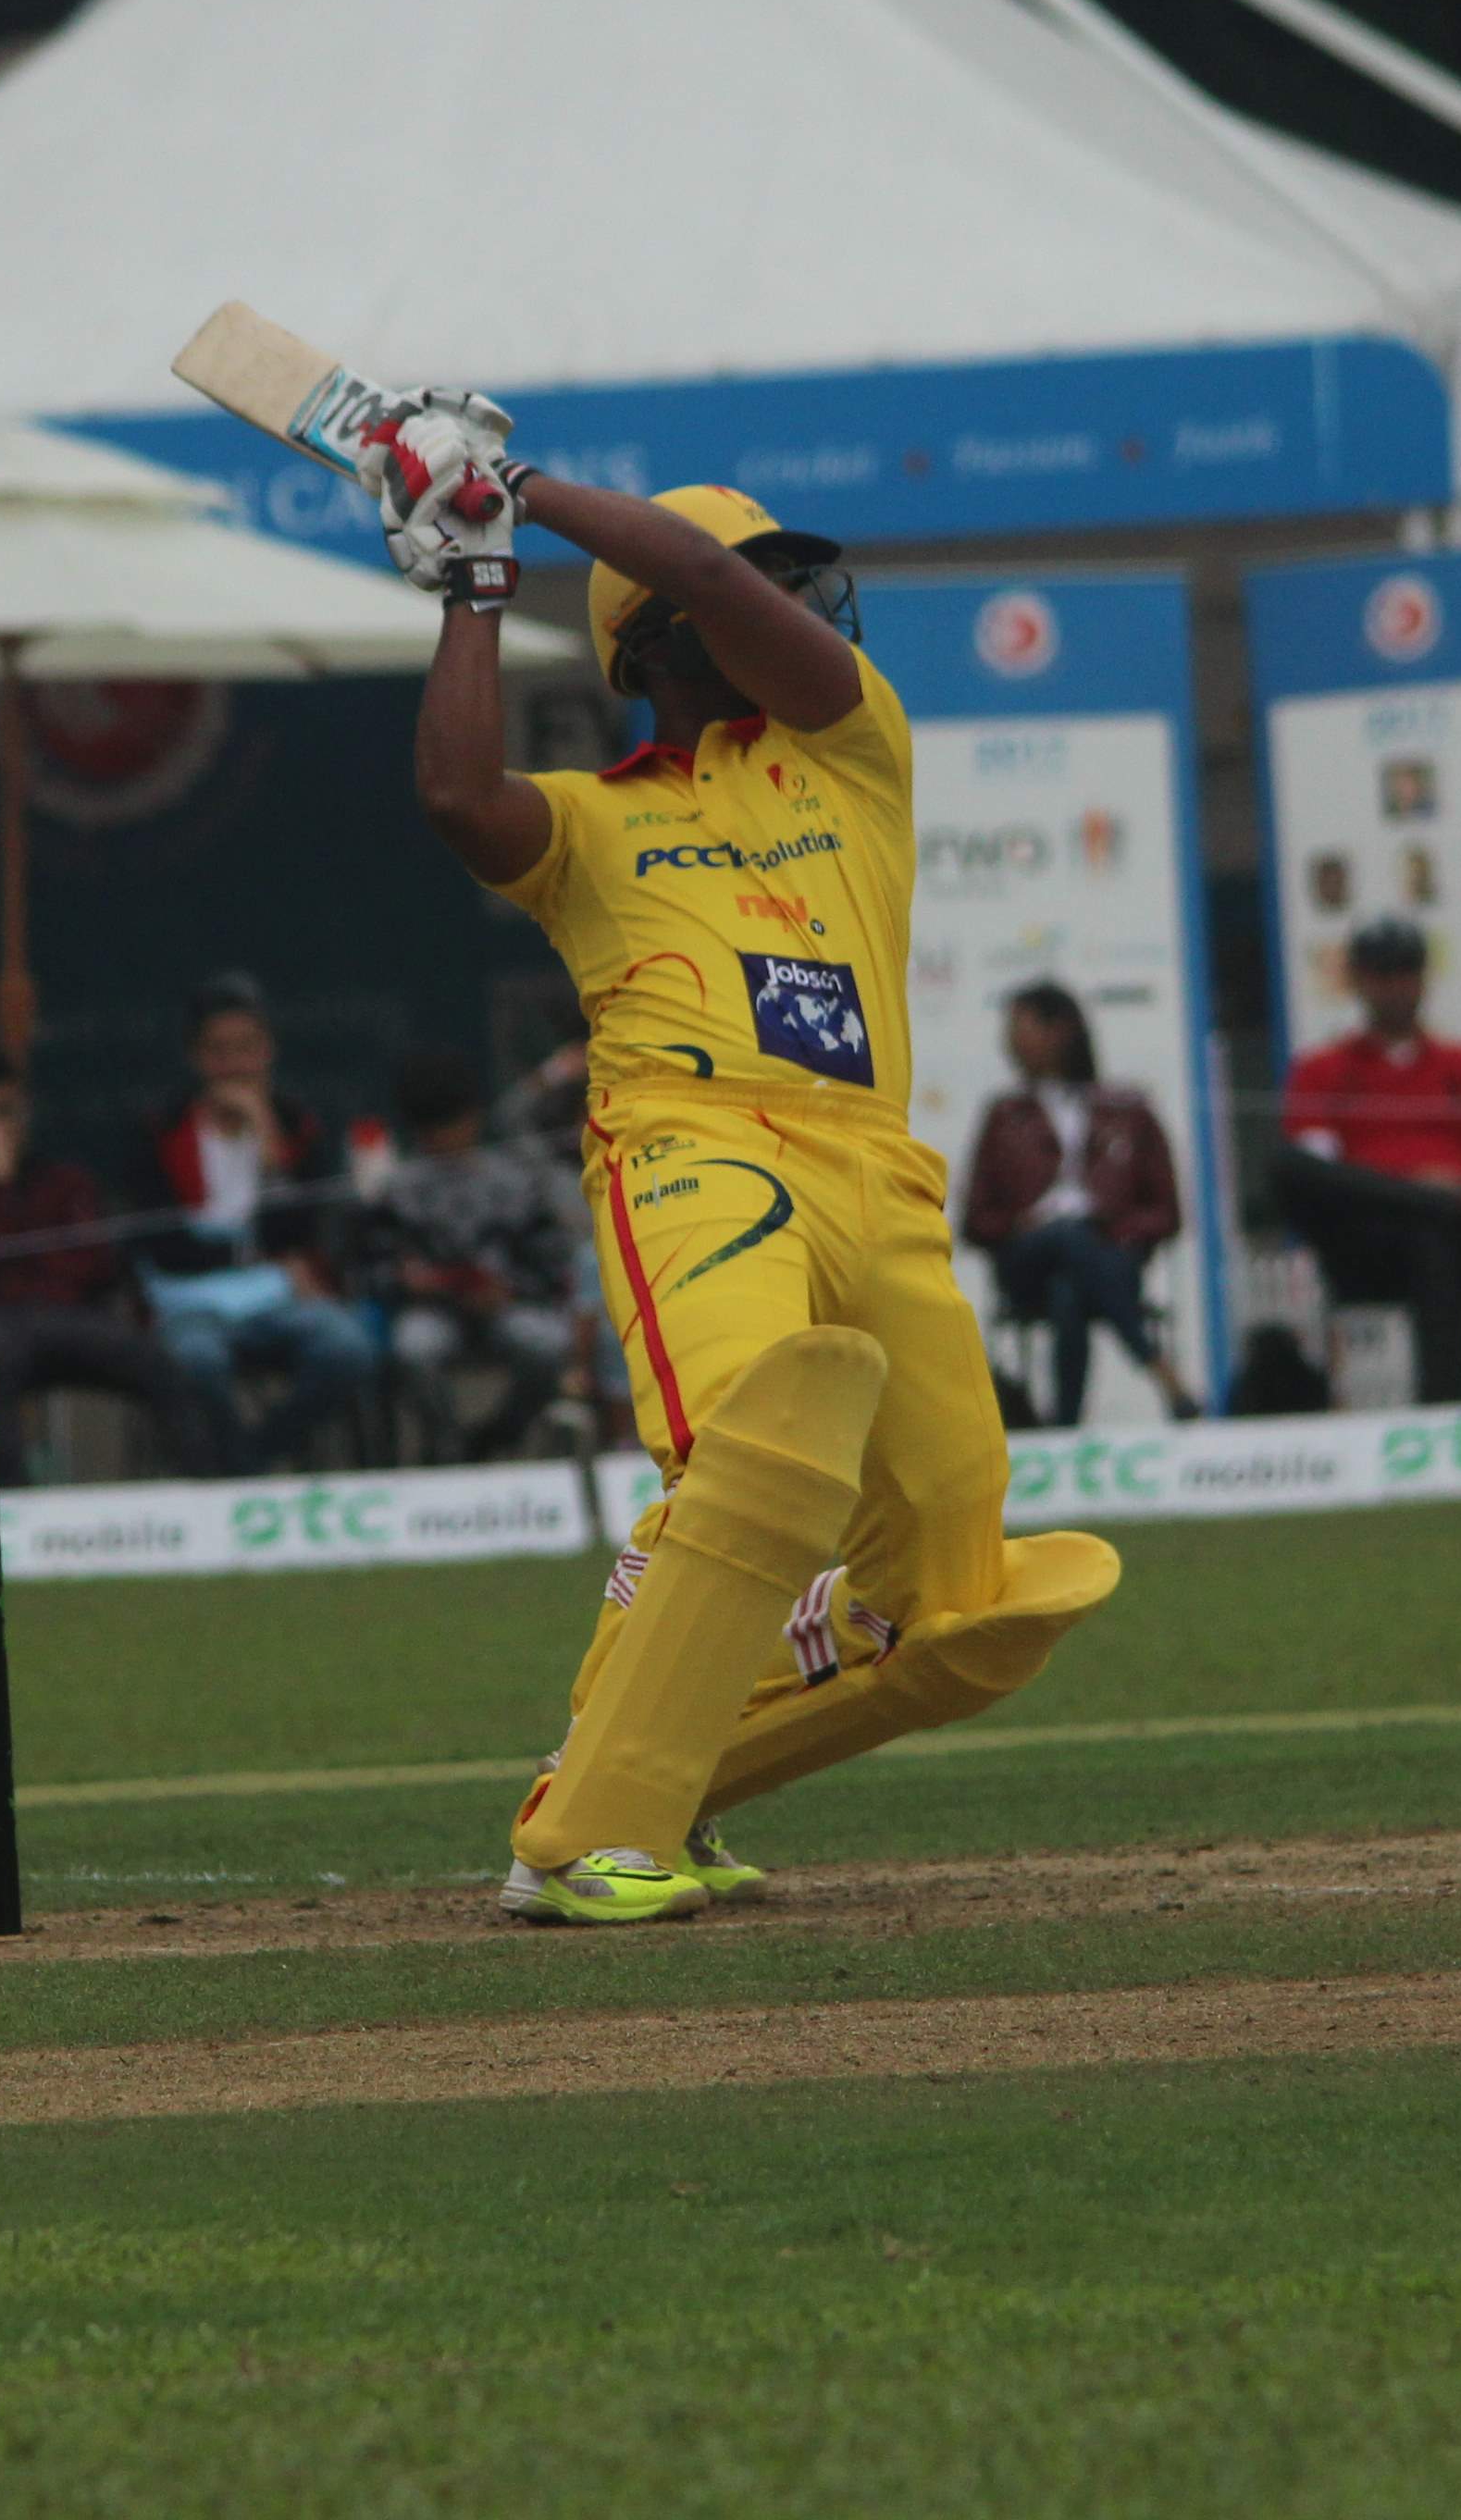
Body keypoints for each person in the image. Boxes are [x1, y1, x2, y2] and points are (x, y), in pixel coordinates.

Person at [382, 407, 1115, 1928]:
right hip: (693, 1148)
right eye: (758, 582)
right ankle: (581, 1832)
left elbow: (709, 584)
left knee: (954, 1585)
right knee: (755, 1453)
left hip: (875, 1170)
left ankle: (668, 1769)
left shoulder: (854, 749)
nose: (792, 606)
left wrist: (522, 489)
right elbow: (457, 800)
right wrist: (473, 579)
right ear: (659, 640)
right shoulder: (592, 826)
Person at [1269, 915, 1461, 1406]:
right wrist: (1431, 1189)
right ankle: (1441, 1202)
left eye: (1405, 972)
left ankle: (1443, 1412)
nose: (1393, 987)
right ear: (1358, 981)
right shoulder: (1320, 1069)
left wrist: (1457, 1198)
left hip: (1460, 1243)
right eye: (1380, 974)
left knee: (1434, 1239)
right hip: (1366, 1243)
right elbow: (1324, 1179)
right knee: (1289, 1165)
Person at [0, 1046, 207, 1477]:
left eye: (8, 1111)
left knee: (160, 1359)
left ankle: (200, 1487)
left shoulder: (66, 1182)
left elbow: (95, 1264)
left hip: (74, 1315)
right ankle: (4, 1498)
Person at [128, 973, 373, 1473]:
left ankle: (254, 1459)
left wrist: (269, 1146)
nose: (235, 1065)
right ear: (196, 1058)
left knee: (347, 1348)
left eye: (246, 1048)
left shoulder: (297, 1126)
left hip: (279, 1299)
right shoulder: (160, 1129)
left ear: (267, 1051)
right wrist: (251, 1256)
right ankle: (237, 1469)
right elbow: (161, 1244)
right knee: (197, 1361)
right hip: (191, 1301)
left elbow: (302, 1232)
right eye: (219, 1052)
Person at [958, 982, 1201, 1426]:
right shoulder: (1004, 1116)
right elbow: (976, 1219)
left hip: (1108, 1254)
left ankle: (1066, 1428)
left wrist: (1116, 1231)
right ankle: (1159, 1368)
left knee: (1069, 1287)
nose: (1009, 1041)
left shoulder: (1130, 1111)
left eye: (1020, 1028)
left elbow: (1166, 1212)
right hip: (1027, 1259)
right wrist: (1021, 1225)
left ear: (1060, 1031)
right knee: (1065, 1238)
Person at [371, 1045, 588, 1462]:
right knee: (413, 1348)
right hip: (431, 1311)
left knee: (547, 1345)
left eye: (451, 1124)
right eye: (433, 1129)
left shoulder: (513, 1180)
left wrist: (511, 1290)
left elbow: (550, 1262)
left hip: (505, 1304)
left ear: (473, 1118)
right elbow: (372, 1269)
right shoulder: (396, 1189)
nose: (445, 1138)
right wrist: (409, 1283)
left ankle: (497, 1438)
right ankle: (449, 1446)